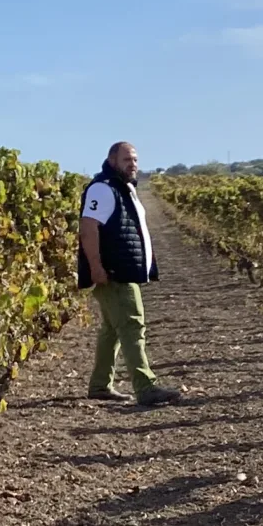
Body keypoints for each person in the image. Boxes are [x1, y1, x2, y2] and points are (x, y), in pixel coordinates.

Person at [79, 140, 184, 406]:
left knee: (112, 330)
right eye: (127, 159)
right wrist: (96, 267)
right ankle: (145, 387)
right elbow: (88, 228)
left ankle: (100, 385)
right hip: (114, 272)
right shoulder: (102, 189)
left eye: (135, 159)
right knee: (132, 324)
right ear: (112, 160)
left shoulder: (123, 188)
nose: (133, 164)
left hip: (122, 269)